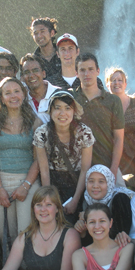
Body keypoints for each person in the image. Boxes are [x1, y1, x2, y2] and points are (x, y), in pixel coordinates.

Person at [0, 78, 42, 242]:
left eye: (16, 91)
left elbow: (38, 160)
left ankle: (25, 267)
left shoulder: (35, 122)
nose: (13, 96)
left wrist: (26, 185)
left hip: (28, 182)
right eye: (7, 93)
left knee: (25, 233)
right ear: (1, 98)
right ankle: (8, 267)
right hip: (0, 182)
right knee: (6, 236)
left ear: (23, 94)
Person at [33, 90, 94, 221]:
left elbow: (85, 169)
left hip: (78, 182)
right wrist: (49, 200)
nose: (62, 113)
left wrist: (76, 200)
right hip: (53, 180)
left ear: (74, 112)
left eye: (67, 108)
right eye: (57, 108)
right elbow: (44, 170)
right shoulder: (42, 133)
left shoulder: (84, 132)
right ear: (50, 111)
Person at [73, 53, 125, 184]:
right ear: (76, 73)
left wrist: (112, 170)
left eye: (90, 69)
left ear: (98, 71)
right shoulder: (71, 99)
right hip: (78, 170)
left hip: (107, 165)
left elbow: (119, 138)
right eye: (82, 70)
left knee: (122, 200)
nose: (87, 74)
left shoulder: (113, 101)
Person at [76, 165, 134, 245]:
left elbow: (120, 236)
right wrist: (82, 230)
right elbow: (87, 243)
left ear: (109, 183)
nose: (95, 186)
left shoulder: (120, 200)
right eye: (91, 181)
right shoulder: (85, 201)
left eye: (101, 181)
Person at [106, 67, 135, 179]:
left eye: (120, 80)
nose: (116, 83)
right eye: (113, 80)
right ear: (107, 85)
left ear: (125, 84)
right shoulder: (104, 106)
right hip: (114, 158)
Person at [20, 54, 61, 123]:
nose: (31, 75)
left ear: (43, 73)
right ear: (23, 77)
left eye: (35, 70)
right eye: (27, 72)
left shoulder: (60, 94)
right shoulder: (21, 100)